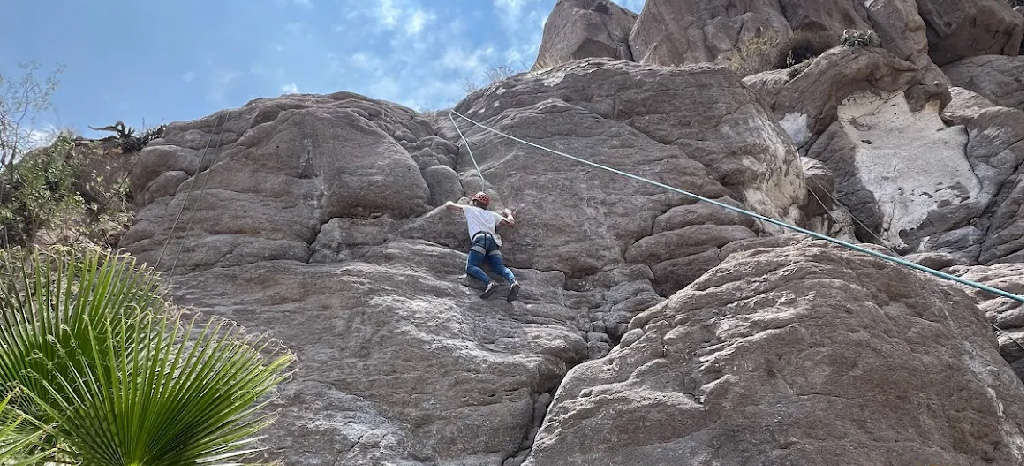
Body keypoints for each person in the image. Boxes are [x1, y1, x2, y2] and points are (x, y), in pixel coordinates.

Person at [445, 192, 521, 302]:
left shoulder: (469, 209)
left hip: (480, 240)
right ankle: (514, 282)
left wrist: (450, 202)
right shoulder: (492, 215)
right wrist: (508, 213)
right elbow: (510, 224)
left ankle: (489, 282)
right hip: (493, 241)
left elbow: (449, 206)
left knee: (471, 267)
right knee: (499, 267)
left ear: (475, 202)